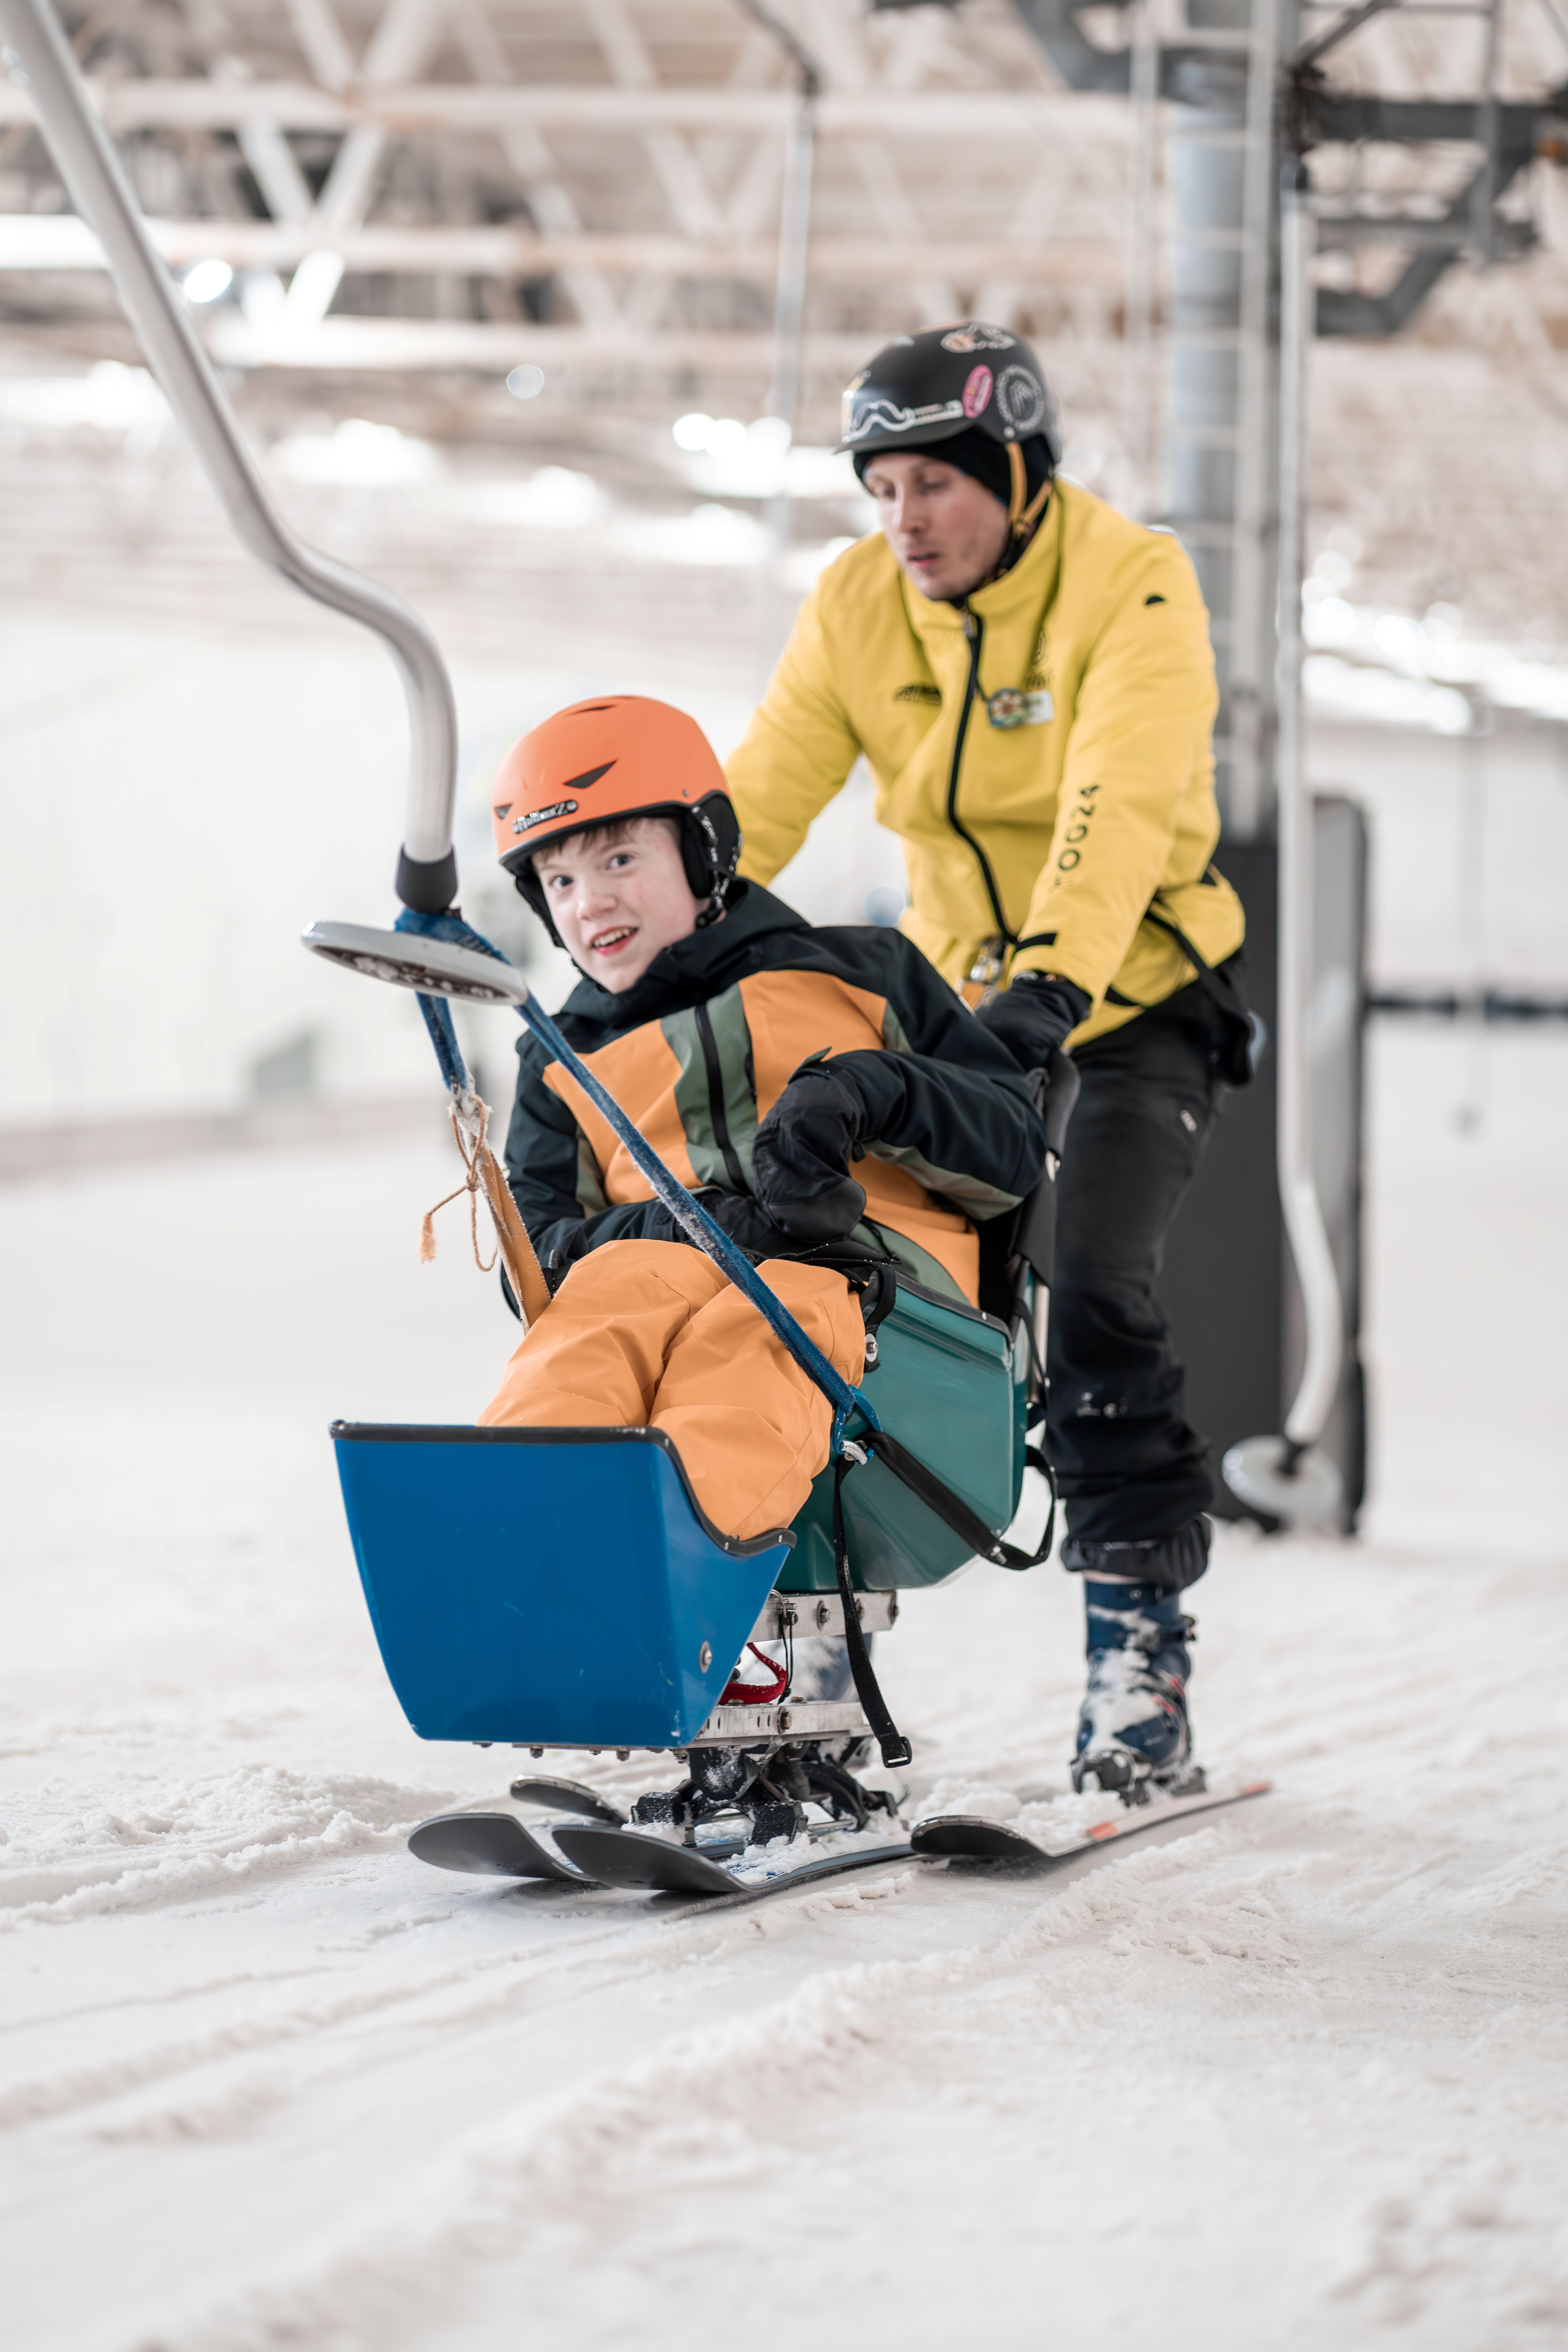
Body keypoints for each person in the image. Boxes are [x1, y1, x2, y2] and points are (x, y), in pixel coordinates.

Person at [725, 322, 1257, 1796]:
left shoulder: (1130, 581)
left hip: (1133, 993)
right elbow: (766, 789)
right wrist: (656, 935)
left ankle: (1139, 1665)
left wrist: (1050, 985)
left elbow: (1116, 801)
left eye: (935, 486)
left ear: (1017, 477)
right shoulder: (858, 602)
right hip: (961, 1002)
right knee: (838, 1284)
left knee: (1093, 1292)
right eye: (881, 489)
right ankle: (817, 1674)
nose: (903, 521)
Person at [480, 692, 1046, 1698]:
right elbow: (542, 1249)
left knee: (761, 1321)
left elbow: (1013, 1148)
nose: (589, 903)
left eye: (620, 860)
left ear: (705, 851)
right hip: (673, 1286)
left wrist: (872, 1091)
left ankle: (698, 1601)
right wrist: (691, 1225)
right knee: (601, 1313)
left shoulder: (862, 972)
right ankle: (525, 1571)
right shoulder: (563, 1061)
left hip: (889, 1314)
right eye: (558, 880)